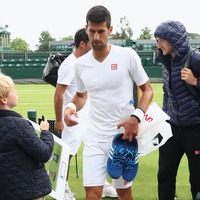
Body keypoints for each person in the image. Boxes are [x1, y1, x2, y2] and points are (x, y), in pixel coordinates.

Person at [64, 5, 153, 200]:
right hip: (94, 137)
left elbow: (147, 90)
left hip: (123, 137)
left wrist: (136, 117)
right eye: (92, 31)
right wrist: (70, 107)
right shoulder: (81, 64)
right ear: (86, 28)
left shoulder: (127, 55)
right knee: (92, 193)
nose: (96, 37)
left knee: (123, 192)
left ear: (110, 30)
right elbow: (80, 95)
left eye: (101, 31)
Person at [54, 28, 117, 200]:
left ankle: (102, 184)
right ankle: (62, 189)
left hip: (89, 115)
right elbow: (59, 94)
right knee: (68, 153)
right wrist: (59, 120)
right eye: (91, 40)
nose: (95, 42)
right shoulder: (69, 65)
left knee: (99, 147)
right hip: (72, 119)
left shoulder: (87, 61)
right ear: (83, 43)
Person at [154, 20, 200, 200]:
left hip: (195, 129)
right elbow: (167, 93)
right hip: (171, 128)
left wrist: (196, 82)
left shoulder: (195, 58)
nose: (159, 45)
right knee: (164, 175)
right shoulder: (166, 61)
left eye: (161, 40)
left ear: (173, 39)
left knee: (197, 179)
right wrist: (164, 117)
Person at [0, 73, 54, 200]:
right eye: (13, 91)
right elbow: (44, 153)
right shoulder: (18, 125)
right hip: (27, 191)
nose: (16, 93)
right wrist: (46, 132)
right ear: (4, 99)